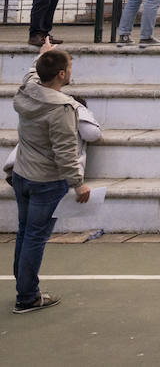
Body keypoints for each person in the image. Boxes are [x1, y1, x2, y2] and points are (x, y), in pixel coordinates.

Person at [11, 40, 91, 314]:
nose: (70, 71)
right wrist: (78, 184)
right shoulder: (62, 108)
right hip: (46, 180)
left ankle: (24, 287)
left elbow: (32, 73)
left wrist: (43, 54)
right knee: (35, 237)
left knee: (25, 232)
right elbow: (66, 151)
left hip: (22, 173)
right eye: (68, 68)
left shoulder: (28, 90)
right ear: (61, 74)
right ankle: (27, 296)